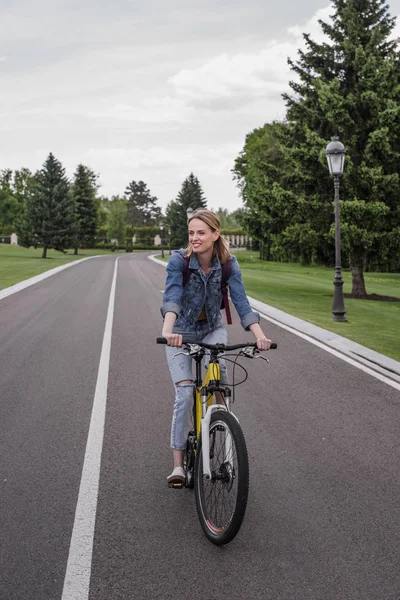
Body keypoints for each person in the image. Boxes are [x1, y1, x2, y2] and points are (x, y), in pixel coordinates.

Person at [161, 209, 272, 484]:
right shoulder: (180, 261)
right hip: (180, 332)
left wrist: (260, 335)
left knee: (219, 380)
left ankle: (223, 439)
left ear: (215, 233)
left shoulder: (228, 264)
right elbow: (173, 295)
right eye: (191, 233)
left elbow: (242, 302)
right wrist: (167, 330)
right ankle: (178, 465)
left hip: (212, 329)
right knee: (186, 394)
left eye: (201, 233)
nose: (195, 238)